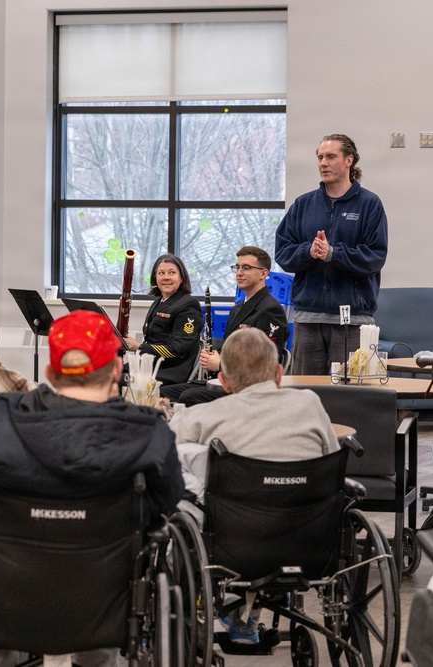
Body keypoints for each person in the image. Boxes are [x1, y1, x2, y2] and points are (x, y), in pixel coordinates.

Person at [0, 309, 183, 667]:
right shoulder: (148, 432)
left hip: (5, 602)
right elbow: (165, 504)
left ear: (49, 374)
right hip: (104, 605)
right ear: (115, 370)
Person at [169, 327, 338, 644]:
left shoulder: (197, 418)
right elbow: (330, 463)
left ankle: (221, 609)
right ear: (278, 373)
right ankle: (248, 615)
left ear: (223, 381)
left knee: (185, 492)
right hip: (309, 539)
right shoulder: (310, 405)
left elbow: (168, 470)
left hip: (231, 546)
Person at [274, 134, 388, 375]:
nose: (323, 163)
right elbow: (283, 252)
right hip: (308, 319)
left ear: (349, 160)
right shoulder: (303, 205)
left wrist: (333, 255)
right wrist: (308, 251)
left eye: (330, 157)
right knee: (306, 392)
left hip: (352, 321)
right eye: (320, 157)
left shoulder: (369, 204)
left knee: (350, 397)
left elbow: (374, 256)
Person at [161, 246, 288, 405]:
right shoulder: (237, 308)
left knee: (189, 397)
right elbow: (230, 348)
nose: (239, 272)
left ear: (263, 273)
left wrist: (220, 364)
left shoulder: (270, 310)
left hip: (247, 388)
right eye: (237, 267)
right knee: (162, 392)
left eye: (246, 268)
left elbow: (267, 362)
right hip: (226, 380)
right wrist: (213, 356)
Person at [122, 254, 203, 386]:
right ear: (155, 278)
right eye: (161, 273)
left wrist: (139, 347)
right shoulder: (159, 302)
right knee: (106, 373)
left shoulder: (189, 305)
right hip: (149, 364)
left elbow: (177, 349)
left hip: (169, 371)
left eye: (172, 273)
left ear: (181, 278)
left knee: (115, 381)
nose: (166, 277)